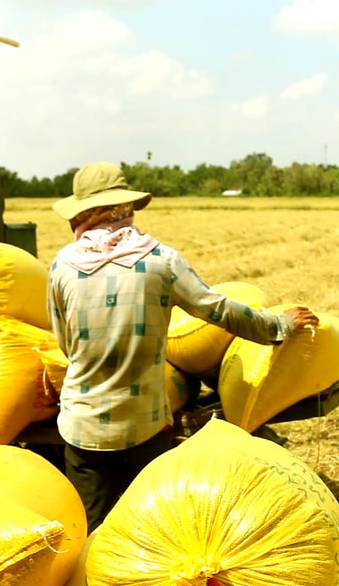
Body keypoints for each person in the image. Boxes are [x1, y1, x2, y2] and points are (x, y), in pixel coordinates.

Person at [47, 161, 317, 529]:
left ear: (84, 214)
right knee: (149, 528)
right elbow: (217, 309)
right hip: (145, 426)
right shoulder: (160, 261)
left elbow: (67, 344)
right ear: (125, 209)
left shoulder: (62, 267)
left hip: (84, 429)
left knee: (92, 532)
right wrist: (279, 326)